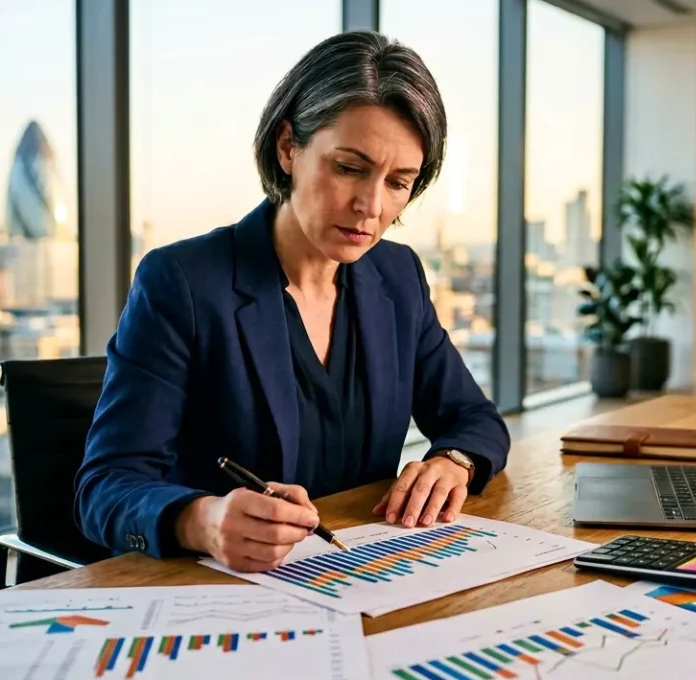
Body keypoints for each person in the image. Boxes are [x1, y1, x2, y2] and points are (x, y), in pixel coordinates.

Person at [75, 31, 510, 573]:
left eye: (399, 182)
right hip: (225, 594)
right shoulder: (182, 282)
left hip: (365, 576)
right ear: (288, 148)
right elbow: (104, 487)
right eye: (349, 168)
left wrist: (453, 460)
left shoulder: (397, 276)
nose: (370, 207)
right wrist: (202, 520)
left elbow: (474, 418)